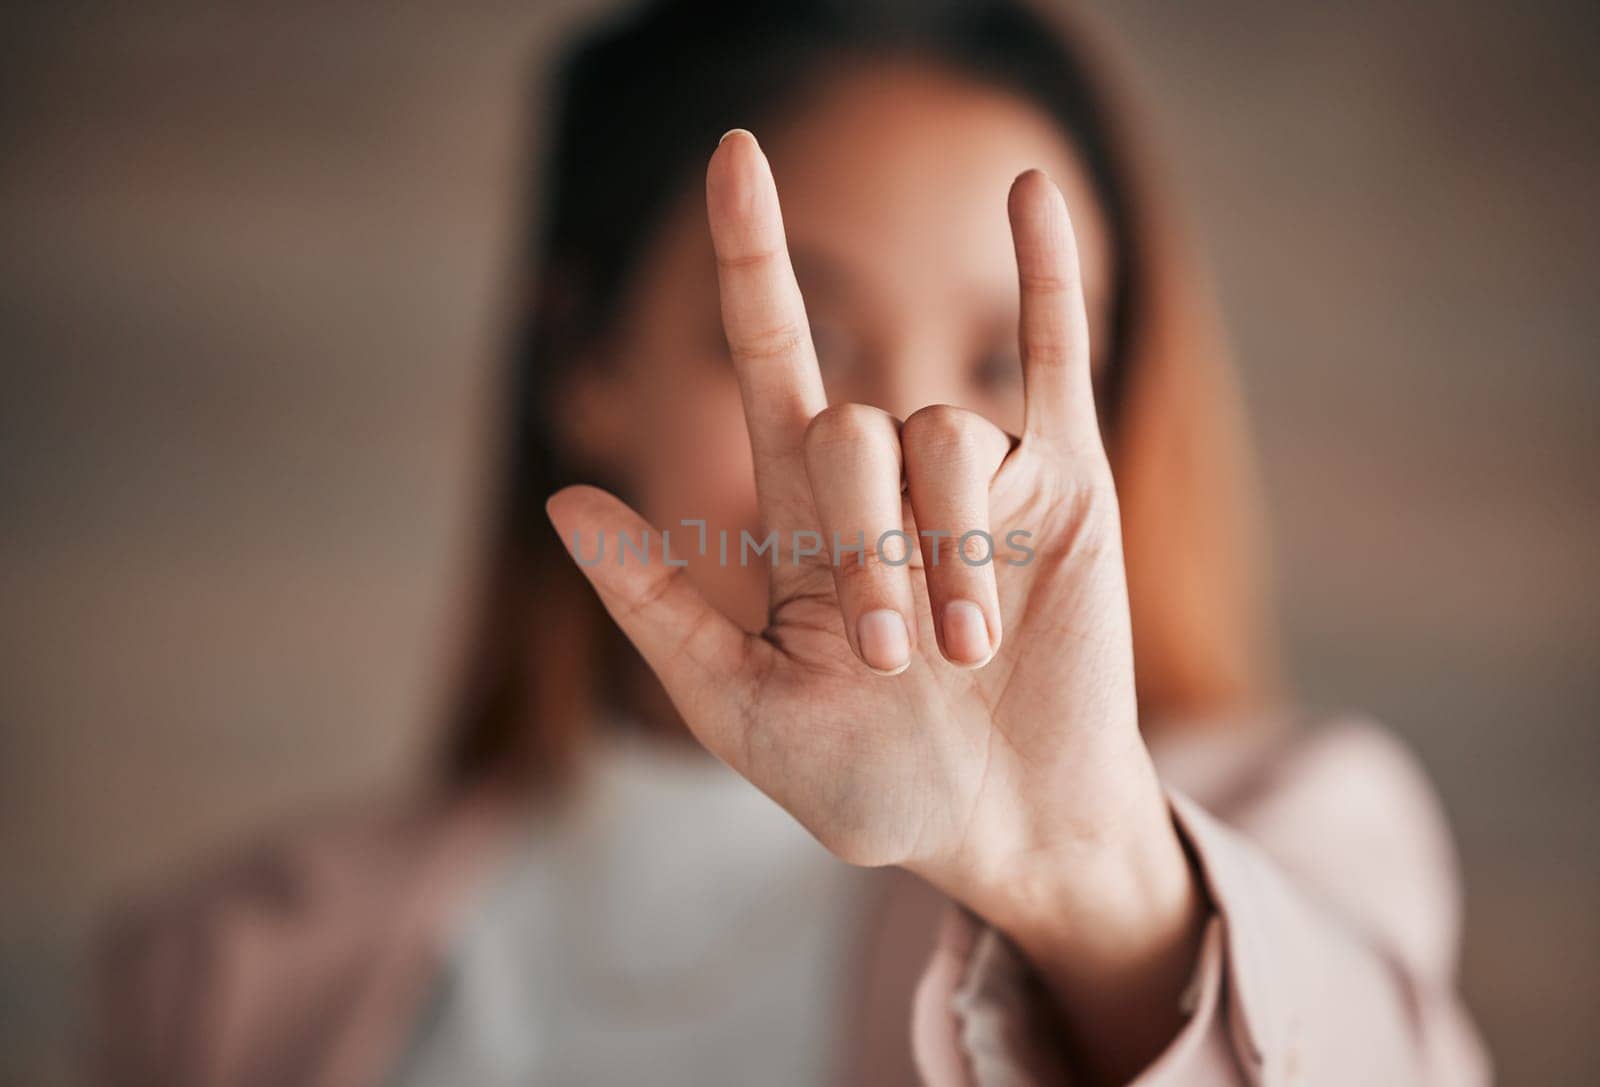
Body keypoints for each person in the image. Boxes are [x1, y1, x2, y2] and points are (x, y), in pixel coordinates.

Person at [94, 1, 1490, 1084]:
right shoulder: (233, 976)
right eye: (807, 337)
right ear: (584, 361)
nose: (887, 449)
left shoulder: (1291, 849)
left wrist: (1086, 877)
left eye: (1006, 357)